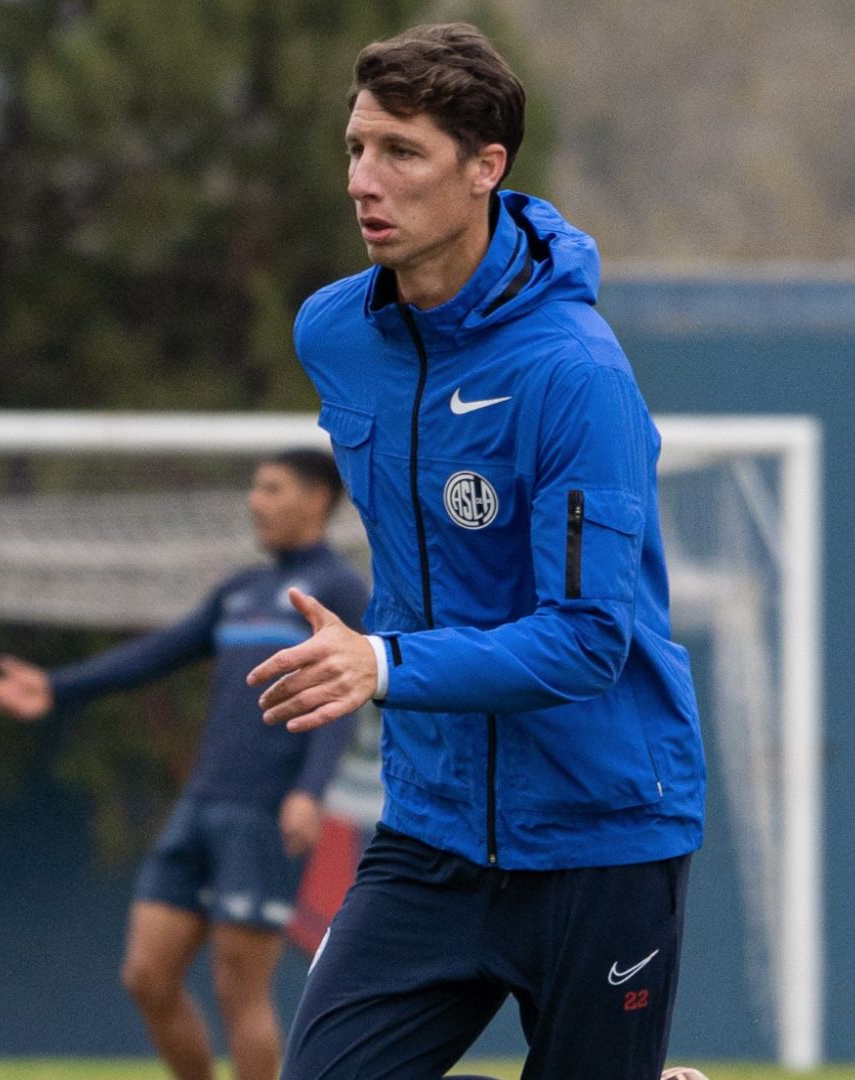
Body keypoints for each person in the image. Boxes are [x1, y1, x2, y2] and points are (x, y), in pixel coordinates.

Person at [249, 24, 707, 1080]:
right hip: (433, 829)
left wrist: (385, 664)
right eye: (357, 147)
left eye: (402, 153)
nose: (366, 179)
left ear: (485, 169)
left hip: (603, 835)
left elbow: (590, 642)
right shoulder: (334, 332)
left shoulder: (575, 373)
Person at [0, 450, 368, 1080]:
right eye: (254, 487)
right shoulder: (239, 589)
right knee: (147, 975)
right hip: (200, 804)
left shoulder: (335, 589)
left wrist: (309, 790)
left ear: (318, 499)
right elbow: (158, 653)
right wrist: (56, 688)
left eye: (272, 488)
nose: (256, 501)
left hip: (264, 811)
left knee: (237, 987)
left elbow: (339, 699)